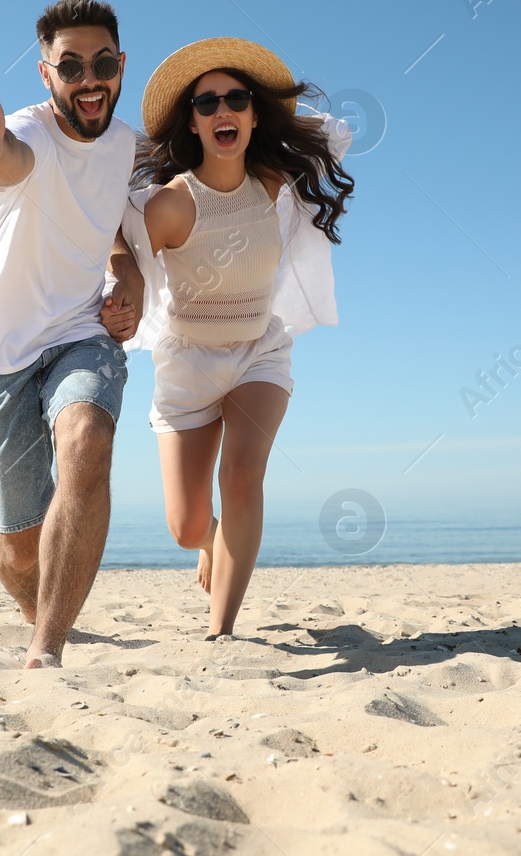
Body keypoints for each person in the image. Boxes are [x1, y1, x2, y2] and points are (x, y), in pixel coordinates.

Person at [111, 37, 354, 639]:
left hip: (258, 353)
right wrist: (125, 285)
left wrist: (275, 106)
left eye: (237, 99)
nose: (224, 111)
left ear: (252, 114)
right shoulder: (169, 206)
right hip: (188, 364)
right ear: (190, 123)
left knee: (242, 475)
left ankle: (222, 631)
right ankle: (210, 539)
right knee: (187, 526)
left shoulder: (273, 180)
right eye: (207, 102)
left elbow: (330, 130)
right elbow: (114, 241)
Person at [0, 0, 144, 668]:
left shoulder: (127, 147)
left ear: (121, 66)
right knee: (17, 550)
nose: (88, 79)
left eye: (101, 64)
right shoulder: (27, 133)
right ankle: (46, 616)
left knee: (88, 438)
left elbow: (122, 237)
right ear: (46, 75)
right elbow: (10, 162)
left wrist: (132, 287)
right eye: (70, 67)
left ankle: (46, 649)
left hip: (79, 334)